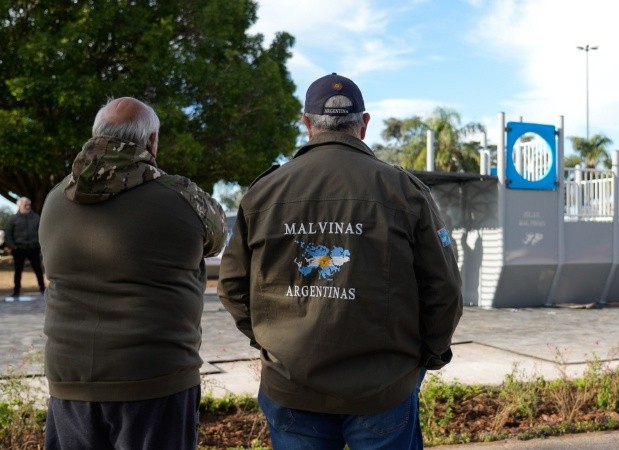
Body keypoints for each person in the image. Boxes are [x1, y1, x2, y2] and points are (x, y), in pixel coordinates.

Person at [218, 73, 463, 449]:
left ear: (306, 124)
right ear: (363, 124)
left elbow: (233, 286)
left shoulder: (263, 192)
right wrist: (425, 355)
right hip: (383, 388)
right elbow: (443, 288)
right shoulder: (404, 191)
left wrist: (272, 342)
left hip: (291, 386)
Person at [39, 97, 227, 449]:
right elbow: (217, 241)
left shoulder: (53, 200)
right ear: (152, 141)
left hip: (70, 379)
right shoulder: (183, 197)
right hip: (156, 377)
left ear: (96, 135)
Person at [4, 196, 46, 297]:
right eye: (25, 205)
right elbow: (8, 234)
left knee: (38, 269)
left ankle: (43, 289)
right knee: (18, 271)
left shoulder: (36, 218)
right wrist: (13, 247)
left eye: (28, 205)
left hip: (34, 248)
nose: (27, 206)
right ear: (19, 206)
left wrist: (40, 245)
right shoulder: (12, 219)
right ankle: (16, 291)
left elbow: (42, 231)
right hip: (19, 249)